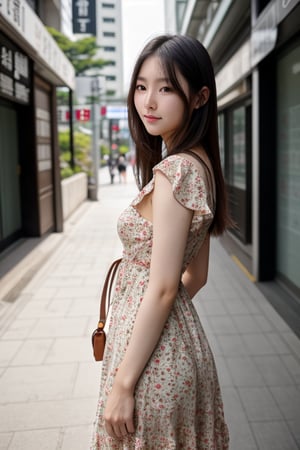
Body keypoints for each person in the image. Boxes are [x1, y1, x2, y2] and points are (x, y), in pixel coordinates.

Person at [91, 34, 231, 449]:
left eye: (166, 88)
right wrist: (163, 322)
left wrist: (125, 381)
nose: (148, 101)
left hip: (151, 366)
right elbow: (197, 276)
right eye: (141, 86)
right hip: (172, 347)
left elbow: (168, 285)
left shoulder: (176, 172)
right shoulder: (202, 165)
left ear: (200, 96)